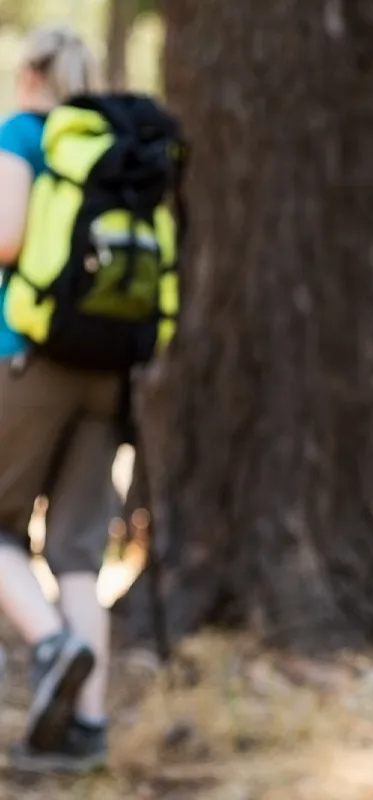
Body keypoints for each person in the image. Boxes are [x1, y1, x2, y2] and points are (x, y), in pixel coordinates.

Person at [0, 24, 113, 774]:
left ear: (34, 73)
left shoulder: (26, 132)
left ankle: (51, 646)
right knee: (76, 553)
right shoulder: (111, 143)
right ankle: (88, 731)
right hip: (108, 363)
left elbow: (7, 240)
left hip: (30, 355)